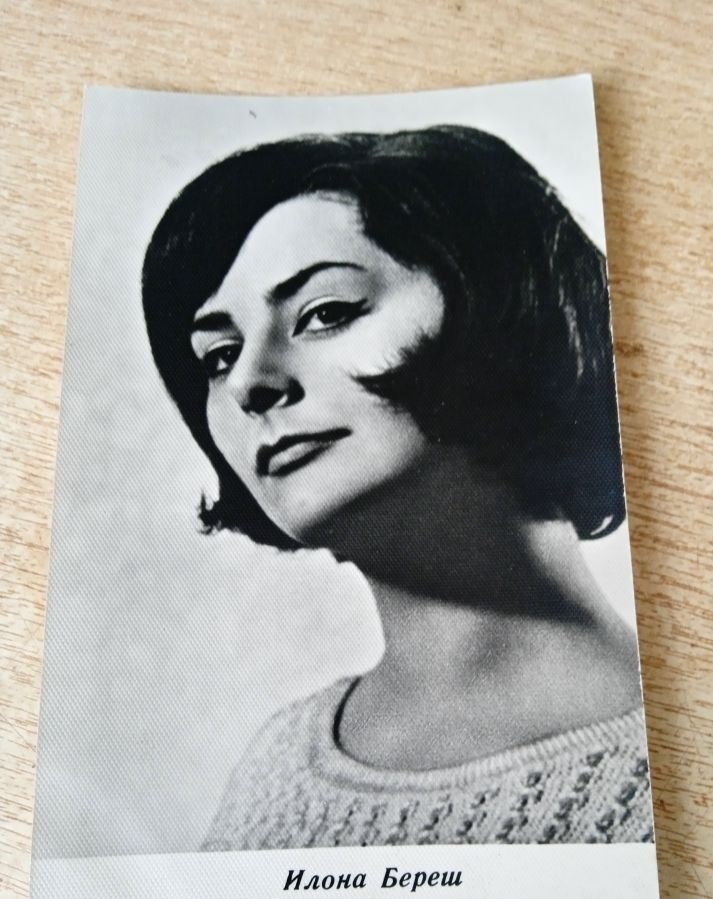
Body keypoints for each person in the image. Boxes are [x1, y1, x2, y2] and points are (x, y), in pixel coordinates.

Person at [142, 125, 655, 850]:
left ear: (500, 308)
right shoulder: (276, 769)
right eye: (219, 356)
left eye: (326, 313)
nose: (249, 382)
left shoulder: (690, 756)